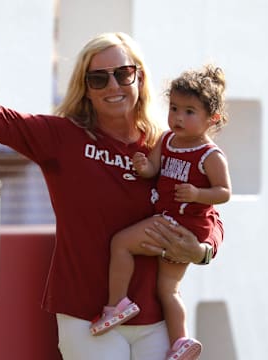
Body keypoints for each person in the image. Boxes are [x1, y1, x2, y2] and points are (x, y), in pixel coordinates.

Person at [0, 32, 224, 360]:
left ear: (139, 75)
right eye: (98, 79)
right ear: (86, 88)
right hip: (86, 318)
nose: (113, 86)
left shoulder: (166, 144)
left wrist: (202, 251)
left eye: (123, 74)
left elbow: (208, 211)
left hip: (156, 321)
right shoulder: (62, 136)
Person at [89, 64, 231, 359]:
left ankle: (118, 304)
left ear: (212, 118)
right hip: (170, 221)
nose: (178, 117)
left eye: (189, 112)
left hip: (184, 227)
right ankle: (181, 342)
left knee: (121, 244)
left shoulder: (210, 155)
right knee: (168, 289)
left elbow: (224, 192)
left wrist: (197, 194)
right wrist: (144, 167)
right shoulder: (166, 140)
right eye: (175, 108)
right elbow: (155, 168)